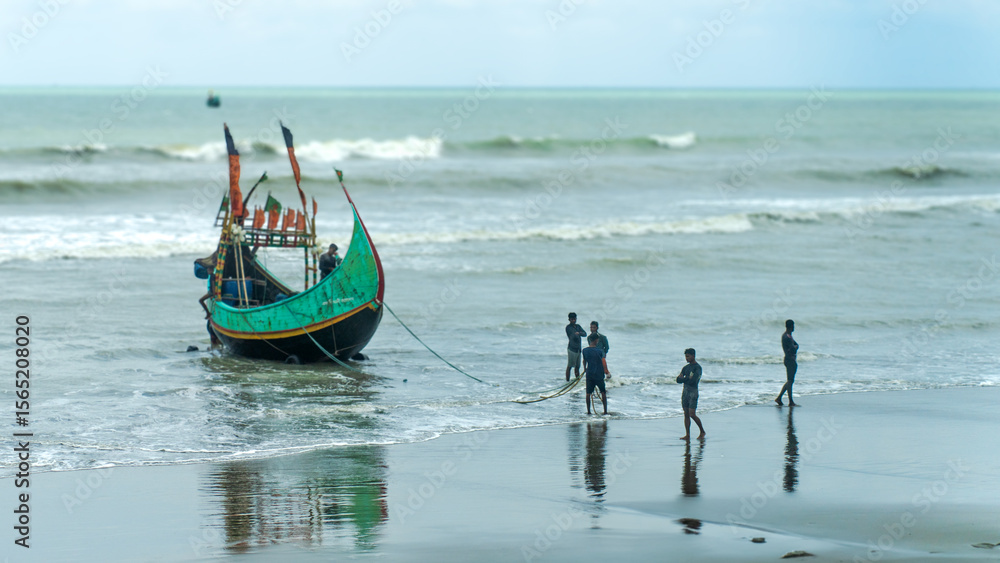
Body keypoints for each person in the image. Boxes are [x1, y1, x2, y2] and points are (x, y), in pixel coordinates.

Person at [676, 348, 706, 441]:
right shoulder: (685, 368)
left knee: (692, 414)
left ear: (693, 356)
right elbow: (678, 380)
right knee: (686, 414)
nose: (686, 358)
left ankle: (702, 431)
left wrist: (684, 379)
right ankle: (687, 434)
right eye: (685, 356)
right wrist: (687, 378)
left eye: (688, 356)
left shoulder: (697, 368)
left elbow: (693, 381)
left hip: (693, 392)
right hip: (685, 392)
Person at [582, 333, 610, 415]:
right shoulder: (599, 351)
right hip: (598, 374)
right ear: (596, 340)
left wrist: (584, 369)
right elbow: (602, 361)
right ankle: (605, 411)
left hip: (589, 373)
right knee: (603, 392)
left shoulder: (584, 350)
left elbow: (584, 361)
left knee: (588, 393)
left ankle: (589, 411)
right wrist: (606, 371)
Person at [775, 319, 799, 406]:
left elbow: (796, 345)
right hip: (789, 360)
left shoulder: (789, 336)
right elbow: (794, 348)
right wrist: (795, 347)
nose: (794, 328)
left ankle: (779, 398)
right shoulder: (787, 337)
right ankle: (790, 401)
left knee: (790, 381)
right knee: (790, 381)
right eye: (793, 326)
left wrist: (795, 346)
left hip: (790, 359)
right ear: (791, 326)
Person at [565, 312, 587, 381]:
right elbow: (573, 336)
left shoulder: (578, 326)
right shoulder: (568, 327)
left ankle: (577, 380)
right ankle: (567, 381)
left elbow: (585, 334)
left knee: (577, 366)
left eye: (574, 319)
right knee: (570, 366)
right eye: (572, 319)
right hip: (572, 349)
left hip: (578, 349)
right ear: (569, 319)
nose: (573, 321)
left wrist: (579, 333)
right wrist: (578, 333)